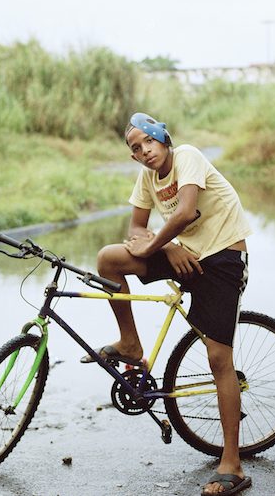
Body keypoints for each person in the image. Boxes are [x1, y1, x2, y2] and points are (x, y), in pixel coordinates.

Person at [86, 112, 253, 496]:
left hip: (224, 258)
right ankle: (131, 344)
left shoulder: (188, 156)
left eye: (148, 142)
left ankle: (233, 463)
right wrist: (171, 246)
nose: (144, 152)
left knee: (217, 360)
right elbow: (135, 229)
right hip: (185, 253)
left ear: (163, 139)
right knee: (108, 259)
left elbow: (185, 212)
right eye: (135, 148)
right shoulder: (147, 177)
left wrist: (164, 242)